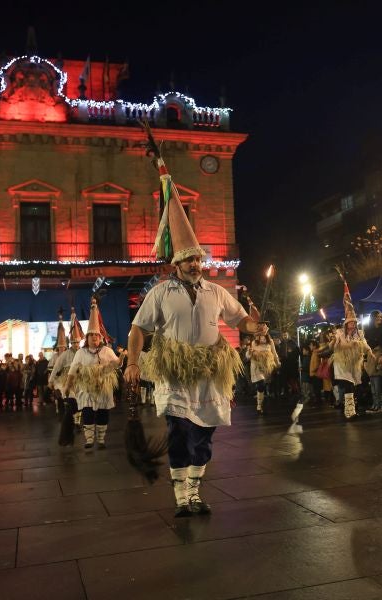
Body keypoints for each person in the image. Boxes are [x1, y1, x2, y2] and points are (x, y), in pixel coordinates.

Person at [124, 172, 268, 518]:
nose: (195, 264)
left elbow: (240, 322)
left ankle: (194, 491)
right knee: (178, 432)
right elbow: (137, 330)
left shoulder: (216, 291)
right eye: (189, 259)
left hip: (209, 371)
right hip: (174, 370)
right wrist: (131, 362)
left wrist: (255, 324)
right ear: (177, 263)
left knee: (204, 435)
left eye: (198, 259)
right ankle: (180, 498)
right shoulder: (160, 293)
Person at [64, 300, 121, 449]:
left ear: (100, 338)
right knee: (88, 413)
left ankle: (101, 440)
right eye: (91, 336)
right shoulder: (81, 353)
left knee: (103, 413)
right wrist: (67, 386)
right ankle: (89, 440)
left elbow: (117, 364)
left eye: (96, 336)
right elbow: (73, 370)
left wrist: (122, 357)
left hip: (103, 388)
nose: (94, 338)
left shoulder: (107, 351)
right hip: (87, 389)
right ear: (87, 338)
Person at [330, 311, 370, 419]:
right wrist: (335, 341)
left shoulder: (359, 333)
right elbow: (333, 346)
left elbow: (365, 345)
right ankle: (349, 412)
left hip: (354, 364)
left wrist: (370, 352)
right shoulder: (340, 333)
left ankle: (351, 410)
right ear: (346, 323)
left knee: (354, 386)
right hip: (342, 364)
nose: (353, 323)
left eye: (354, 322)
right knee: (348, 385)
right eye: (350, 322)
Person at [247, 332, 278, 414]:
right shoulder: (254, 343)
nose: (262, 338)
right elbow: (248, 356)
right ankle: (259, 406)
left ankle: (260, 404)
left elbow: (274, 353)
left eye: (264, 336)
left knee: (263, 386)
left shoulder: (270, 342)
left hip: (266, 367)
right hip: (256, 366)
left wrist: (277, 362)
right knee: (261, 383)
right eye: (260, 336)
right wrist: (249, 352)